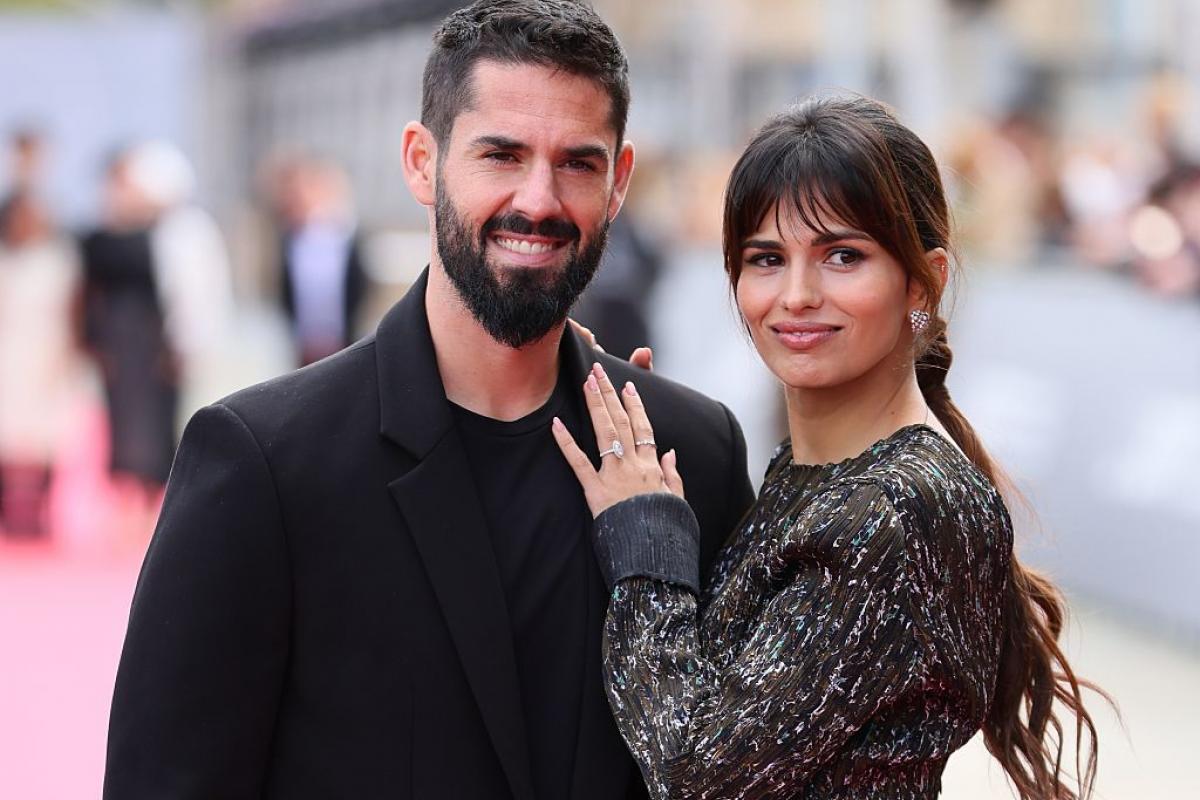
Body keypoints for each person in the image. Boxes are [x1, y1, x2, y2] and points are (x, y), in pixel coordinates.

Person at [103, 2, 754, 799]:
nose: (539, 201)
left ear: (619, 182)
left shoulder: (697, 451)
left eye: (577, 164)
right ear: (422, 161)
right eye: (501, 155)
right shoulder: (263, 462)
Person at [552, 95, 1105, 800]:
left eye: (843, 256)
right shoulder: (817, 472)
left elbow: (697, 775)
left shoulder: (899, 508)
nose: (797, 294)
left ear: (924, 282)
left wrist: (646, 541)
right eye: (766, 258)